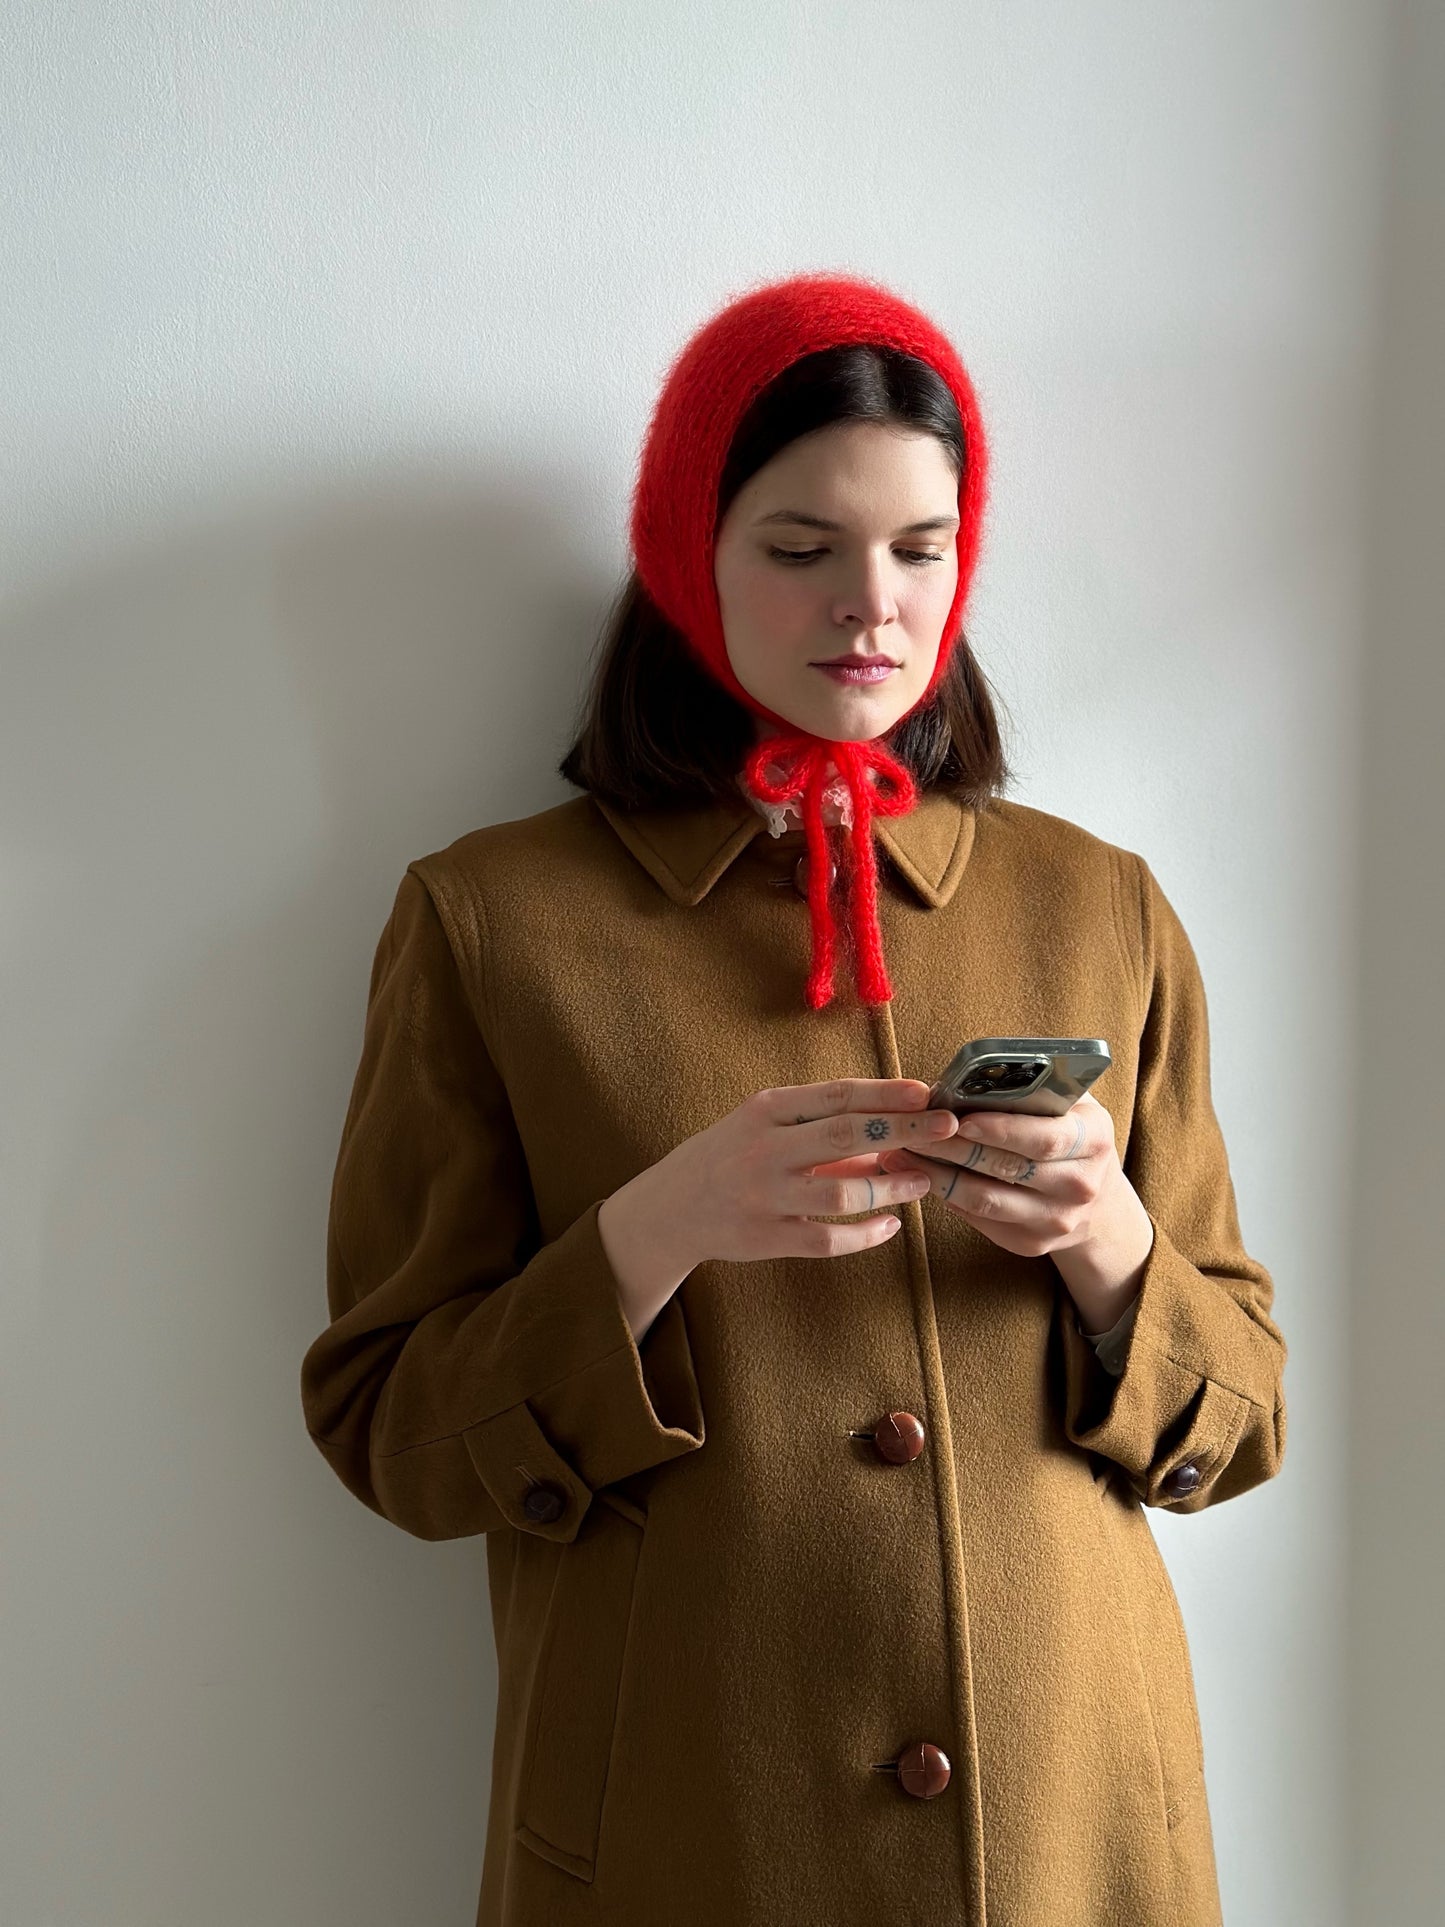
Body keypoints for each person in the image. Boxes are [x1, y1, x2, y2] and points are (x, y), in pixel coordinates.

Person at [299, 271, 1288, 1927]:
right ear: (692, 547)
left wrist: (1115, 1255)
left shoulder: (1100, 905)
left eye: (922, 546)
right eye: (798, 545)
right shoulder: (493, 924)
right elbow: (387, 1432)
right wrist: (647, 1236)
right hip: (683, 1835)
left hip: (1071, 1840)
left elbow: (1245, 1415)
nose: (872, 606)